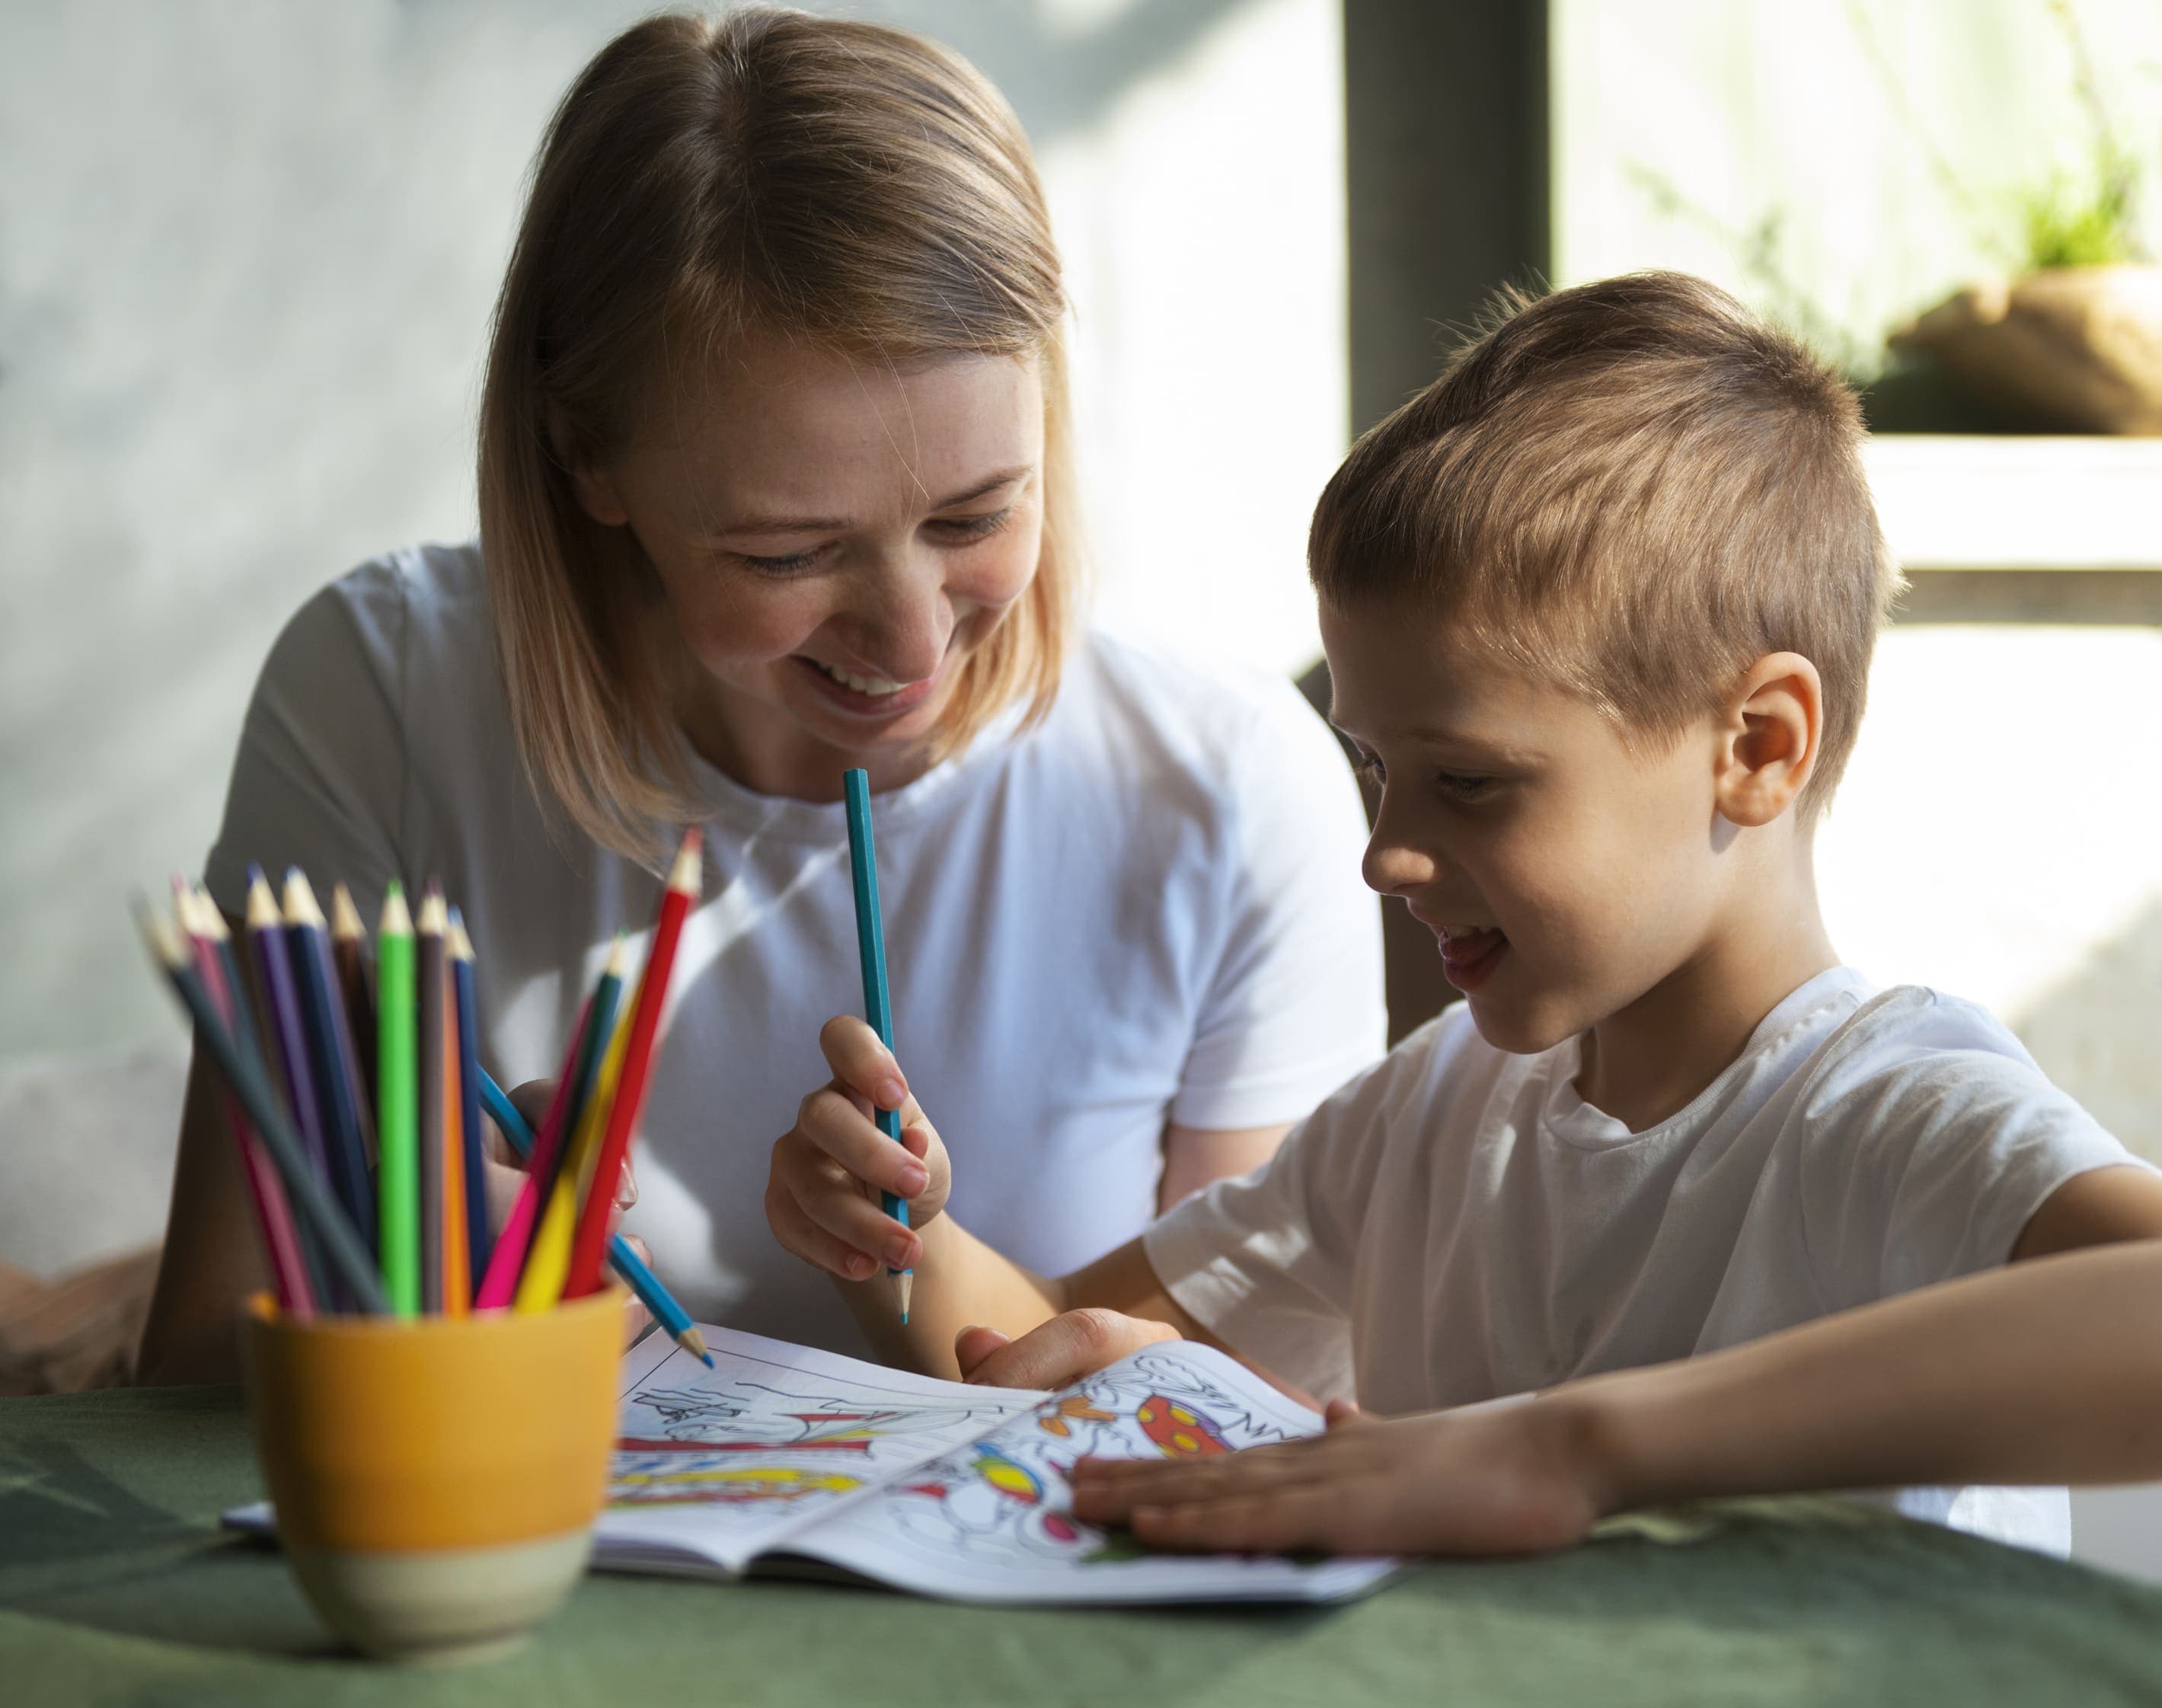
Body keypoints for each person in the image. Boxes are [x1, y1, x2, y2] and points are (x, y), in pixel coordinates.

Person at [763, 272, 2162, 1558]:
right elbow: (1051, 1333)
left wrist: (1565, 1448)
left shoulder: (1880, 1113)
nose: (1386, 850)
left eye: (1468, 783)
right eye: (1376, 767)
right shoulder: (1431, 1112)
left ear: (1755, 747)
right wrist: (897, 1238)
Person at [136, 9, 1382, 1381]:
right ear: (586, 460)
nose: (910, 637)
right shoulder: (384, 696)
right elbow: (194, 1366)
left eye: (978, 515)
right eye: (788, 551)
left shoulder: (1227, 781)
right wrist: (417, 1308)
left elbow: (1264, 1411)